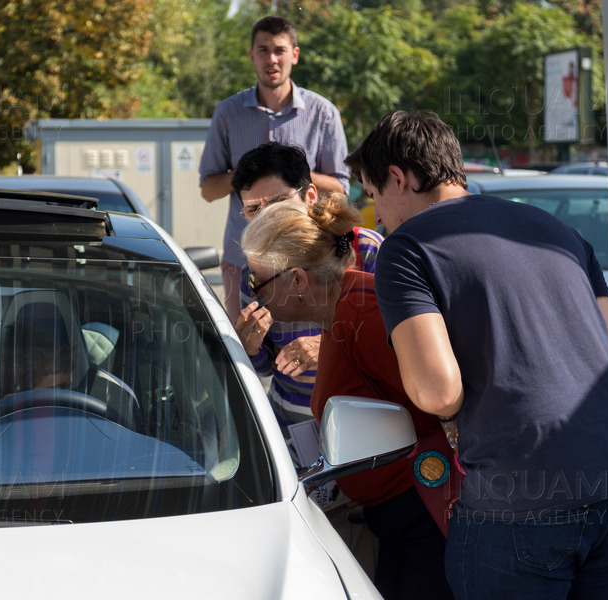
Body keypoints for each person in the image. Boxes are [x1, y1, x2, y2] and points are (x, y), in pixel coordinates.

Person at [346, 109, 608, 599]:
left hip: (520, 498)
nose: (375, 214)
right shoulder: (556, 230)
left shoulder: (405, 248)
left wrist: (448, 413)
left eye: (372, 193)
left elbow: (437, 389)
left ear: (398, 178)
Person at [241, 194, 452, 600]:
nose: (256, 298)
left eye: (258, 283)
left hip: (425, 518)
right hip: (400, 519)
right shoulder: (344, 311)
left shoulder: (365, 314)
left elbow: (444, 407)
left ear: (298, 280)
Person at [198, 15, 350, 324]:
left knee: (308, 358)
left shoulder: (323, 113)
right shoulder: (227, 113)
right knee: (242, 353)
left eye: (279, 49)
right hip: (241, 260)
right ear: (251, 55)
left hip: (308, 262)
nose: (272, 58)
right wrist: (246, 171)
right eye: (263, 49)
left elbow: (341, 191)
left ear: (294, 54)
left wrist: (296, 172)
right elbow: (208, 190)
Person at [230, 142, 382, 436]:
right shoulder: (254, 273)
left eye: (277, 203)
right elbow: (262, 369)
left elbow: (398, 343)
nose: (265, 217)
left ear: (310, 196)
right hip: (290, 428)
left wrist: (326, 345)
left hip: (366, 426)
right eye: (252, 209)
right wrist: (246, 347)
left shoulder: (365, 251)